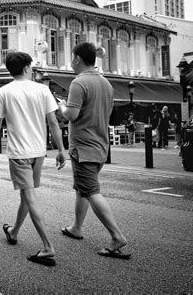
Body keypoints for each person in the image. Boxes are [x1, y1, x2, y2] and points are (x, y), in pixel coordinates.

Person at [0, 51, 66, 267]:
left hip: (19, 154)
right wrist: (61, 149)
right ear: (26, 68)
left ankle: (48, 247)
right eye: (31, 67)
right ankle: (13, 232)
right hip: (38, 153)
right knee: (27, 194)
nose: (32, 70)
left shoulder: (3, 92)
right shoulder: (42, 90)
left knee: (29, 196)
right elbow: (53, 123)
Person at [58, 42, 130, 260]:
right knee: (82, 188)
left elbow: (71, 115)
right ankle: (76, 227)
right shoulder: (106, 84)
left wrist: (61, 106)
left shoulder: (78, 83)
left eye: (72, 58)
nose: (71, 62)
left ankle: (117, 236)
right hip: (100, 145)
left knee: (90, 191)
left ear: (78, 59)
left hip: (83, 146)